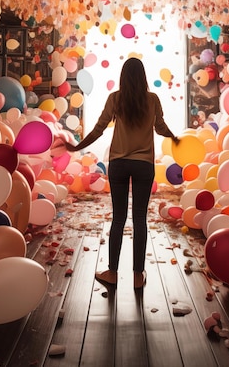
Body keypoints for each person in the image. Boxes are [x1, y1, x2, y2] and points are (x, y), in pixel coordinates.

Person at [64, 57, 180, 290]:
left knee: (118, 218)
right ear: (143, 76)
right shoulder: (152, 99)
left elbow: (98, 129)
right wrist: (174, 137)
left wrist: (77, 146)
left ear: (123, 77)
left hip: (118, 163)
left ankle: (113, 272)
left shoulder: (115, 98)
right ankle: (138, 275)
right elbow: (160, 127)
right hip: (143, 165)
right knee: (139, 219)